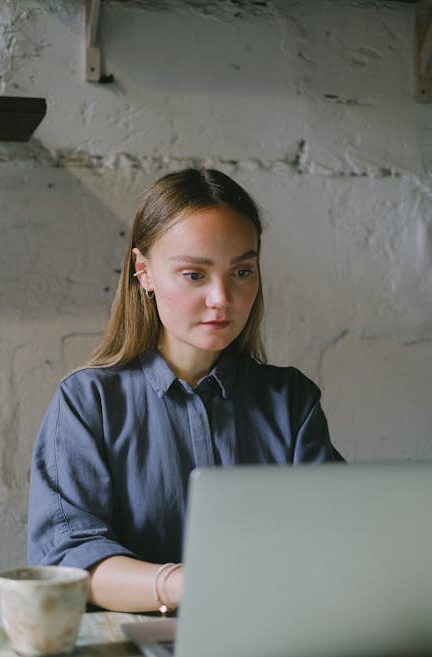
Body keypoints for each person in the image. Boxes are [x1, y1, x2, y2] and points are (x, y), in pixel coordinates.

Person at [28, 168, 343, 614]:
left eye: (242, 270)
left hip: (276, 639)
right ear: (144, 272)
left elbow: (336, 538)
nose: (222, 298)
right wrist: (187, 584)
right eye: (195, 274)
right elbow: (68, 559)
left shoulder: (291, 401)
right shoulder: (87, 403)